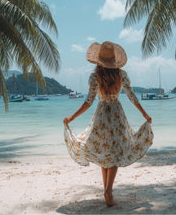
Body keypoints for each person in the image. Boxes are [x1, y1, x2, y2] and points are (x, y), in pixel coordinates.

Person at [63, 41, 153, 206]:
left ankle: (107, 189)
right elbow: (132, 96)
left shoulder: (94, 76)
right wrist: (144, 113)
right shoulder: (122, 75)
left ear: (99, 60)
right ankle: (108, 190)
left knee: (105, 151)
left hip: (102, 115)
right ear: (114, 60)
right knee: (115, 153)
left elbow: (88, 102)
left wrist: (72, 117)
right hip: (117, 115)